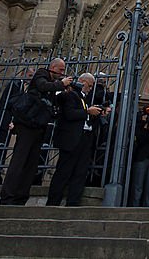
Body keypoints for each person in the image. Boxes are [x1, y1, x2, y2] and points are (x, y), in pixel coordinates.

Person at [0, 59, 67, 205]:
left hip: (39, 126)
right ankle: (7, 197)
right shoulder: (42, 74)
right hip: (26, 125)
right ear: (53, 67)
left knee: (31, 165)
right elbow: (43, 86)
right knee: (19, 161)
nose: (62, 73)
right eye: (61, 70)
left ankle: (21, 197)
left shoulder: (53, 87)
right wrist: (61, 84)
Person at [47, 72, 103, 206]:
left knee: (80, 172)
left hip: (85, 139)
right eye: (89, 86)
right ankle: (53, 202)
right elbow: (69, 114)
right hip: (71, 139)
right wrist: (87, 112)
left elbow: (87, 118)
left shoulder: (86, 99)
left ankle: (73, 202)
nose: (90, 89)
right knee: (63, 172)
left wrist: (95, 114)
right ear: (82, 82)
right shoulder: (71, 95)